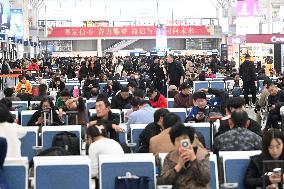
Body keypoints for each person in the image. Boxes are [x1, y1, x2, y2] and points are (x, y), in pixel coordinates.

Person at [157, 124, 210, 189]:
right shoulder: (170, 157)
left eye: (185, 138)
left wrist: (194, 160)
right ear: (174, 143)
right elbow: (163, 182)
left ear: (191, 141)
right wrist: (178, 166)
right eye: (178, 140)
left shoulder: (202, 154)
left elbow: (205, 179)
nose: (182, 142)